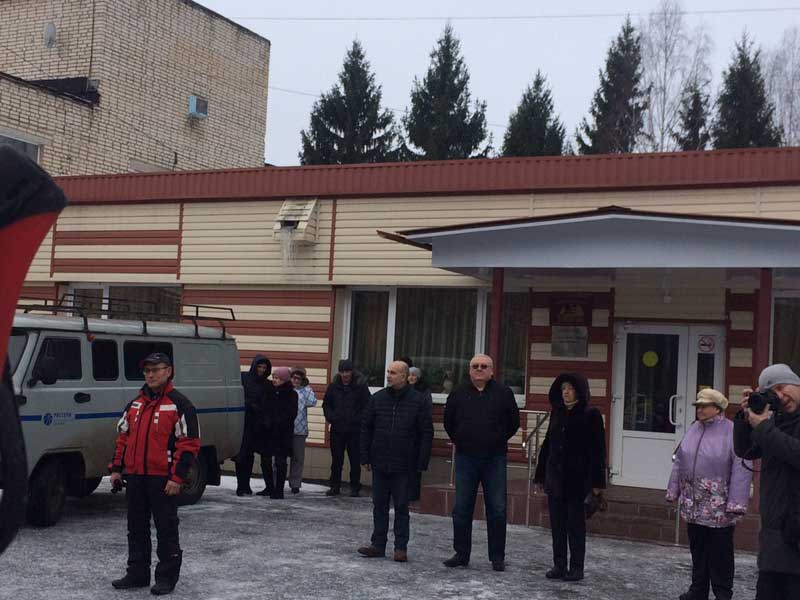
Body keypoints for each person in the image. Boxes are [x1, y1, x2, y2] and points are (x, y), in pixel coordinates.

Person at [109, 353, 200, 596]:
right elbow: (123, 438)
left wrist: (177, 478)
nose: (150, 375)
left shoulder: (180, 405)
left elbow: (189, 445)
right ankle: (137, 573)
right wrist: (116, 469)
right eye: (147, 371)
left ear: (168, 371)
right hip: (136, 477)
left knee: (166, 529)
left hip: (163, 480)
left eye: (155, 370)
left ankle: (167, 577)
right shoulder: (135, 405)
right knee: (136, 528)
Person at [666, 388, 752, 600]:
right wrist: (673, 490)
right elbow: (680, 461)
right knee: (698, 549)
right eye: (698, 406)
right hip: (693, 504)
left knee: (721, 553)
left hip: (719, 507)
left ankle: (723, 593)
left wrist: (737, 503)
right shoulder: (693, 429)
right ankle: (698, 589)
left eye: (704, 406)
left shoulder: (732, 431)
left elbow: (742, 466)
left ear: (718, 408)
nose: (700, 410)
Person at [443, 354, 520, 572]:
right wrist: (460, 439)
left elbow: (513, 422)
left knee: (497, 509)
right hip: (466, 458)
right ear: (469, 371)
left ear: (492, 371)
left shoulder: (504, 393)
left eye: (484, 366)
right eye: (475, 366)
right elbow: (448, 421)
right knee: (462, 508)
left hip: (494, 458)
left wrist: (497, 438)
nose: (479, 369)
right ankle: (461, 554)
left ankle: (497, 557)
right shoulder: (458, 393)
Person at [734, 364, 800, 599]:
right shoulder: (775, 421)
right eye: (773, 392)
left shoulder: (770, 427)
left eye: (783, 387)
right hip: (774, 538)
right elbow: (745, 451)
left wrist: (763, 427)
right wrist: (745, 419)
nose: (781, 396)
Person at [357, 361, 433, 562]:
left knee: (401, 506)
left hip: (405, 462)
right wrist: (364, 456)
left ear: (405, 376)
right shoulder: (378, 398)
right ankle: (377, 545)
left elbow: (426, 432)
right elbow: (366, 428)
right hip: (380, 460)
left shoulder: (418, 400)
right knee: (379, 505)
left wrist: (422, 460)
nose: (389, 375)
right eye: (388, 372)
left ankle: (400, 548)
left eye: (393, 372)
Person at [534, 373, 606, 582]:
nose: (566, 392)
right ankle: (559, 565)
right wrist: (541, 474)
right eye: (563, 388)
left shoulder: (591, 415)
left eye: (570, 388)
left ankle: (576, 567)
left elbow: (598, 450)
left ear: (579, 391)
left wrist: (597, 483)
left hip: (577, 481)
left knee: (575, 526)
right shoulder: (557, 412)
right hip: (555, 479)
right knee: (557, 525)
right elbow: (547, 444)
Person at [322, 359, 371, 497]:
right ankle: (334, 486)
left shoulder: (361, 386)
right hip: (337, 429)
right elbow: (326, 404)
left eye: (347, 371)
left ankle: (355, 487)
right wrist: (331, 417)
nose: (345, 374)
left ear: (352, 371)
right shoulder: (333, 386)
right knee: (336, 460)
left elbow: (368, 406)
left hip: (354, 430)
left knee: (355, 460)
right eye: (342, 371)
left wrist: (358, 419)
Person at [235, 354, 272, 496]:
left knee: (251, 456)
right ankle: (241, 485)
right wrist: (249, 404)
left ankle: (247, 485)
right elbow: (238, 396)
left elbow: (269, 404)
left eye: (264, 368)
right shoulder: (244, 378)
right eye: (259, 367)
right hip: (243, 422)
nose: (261, 370)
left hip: (259, 425)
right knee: (242, 455)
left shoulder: (267, 384)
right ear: (254, 366)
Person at [261, 367, 298, 499]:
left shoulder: (292, 394)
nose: (274, 380)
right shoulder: (269, 392)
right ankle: (269, 487)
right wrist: (266, 421)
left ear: (284, 379)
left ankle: (279, 490)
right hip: (268, 432)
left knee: (280, 461)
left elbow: (291, 413)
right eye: (274, 377)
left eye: (277, 378)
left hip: (283, 433)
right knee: (265, 460)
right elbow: (264, 408)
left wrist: (277, 421)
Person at [289, 367, 317, 494]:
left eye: (299, 379)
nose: (296, 381)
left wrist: (307, 387)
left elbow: (313, 401)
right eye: (294, 378)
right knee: (278, 458)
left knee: (298, 458)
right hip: (284, 430)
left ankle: (295, 484)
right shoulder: (286, 389)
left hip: (300, 430)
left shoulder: (305, 391)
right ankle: (275, 482)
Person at [407, 366, 433, 502]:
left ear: (418, 377)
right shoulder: (403, 389)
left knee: (415, 467)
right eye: (409, 375)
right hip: (405, 433)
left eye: (414, 375)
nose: (411, 378)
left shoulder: (424, 391)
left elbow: (428, 410)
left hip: (418, 433)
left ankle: (413, 494)